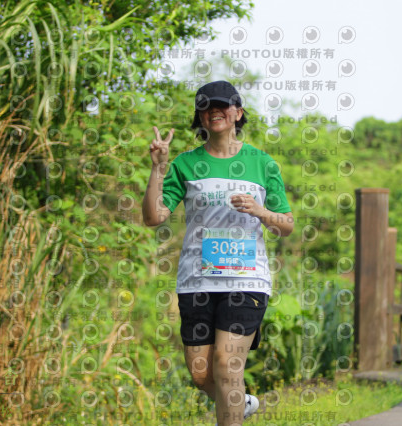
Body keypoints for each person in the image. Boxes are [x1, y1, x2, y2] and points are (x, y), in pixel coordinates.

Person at [142, 80, 294, 426]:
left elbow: (285, 224)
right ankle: (243, 402)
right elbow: (153, 217)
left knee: (227, 365)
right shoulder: (185, 164)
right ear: (200, 117)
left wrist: (260, 211)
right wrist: (158, 168)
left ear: (238, 112)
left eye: (222, 105)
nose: (214, 111)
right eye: (206, 106)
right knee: (201, 375)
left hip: (247, 280)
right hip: (197, 281)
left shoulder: (262, 163)